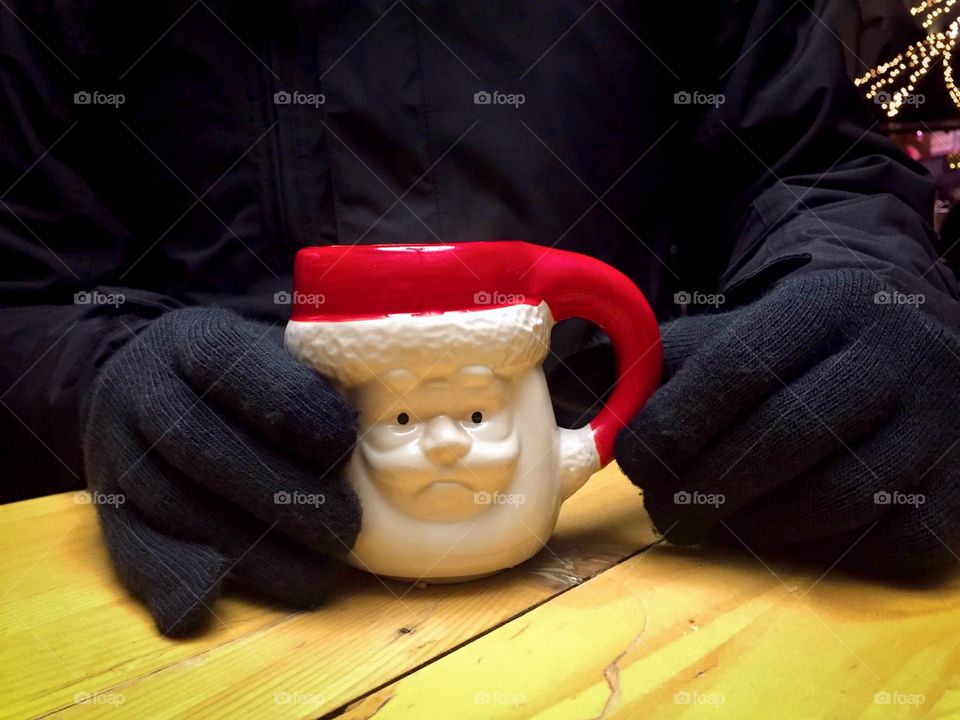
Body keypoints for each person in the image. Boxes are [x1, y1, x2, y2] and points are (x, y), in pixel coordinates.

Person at [1, 0, 957, 636]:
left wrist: (869, 302)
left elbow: (805, 167)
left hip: (651, 575)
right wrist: (103, 385)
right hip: (219, 591)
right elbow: (24, 285)